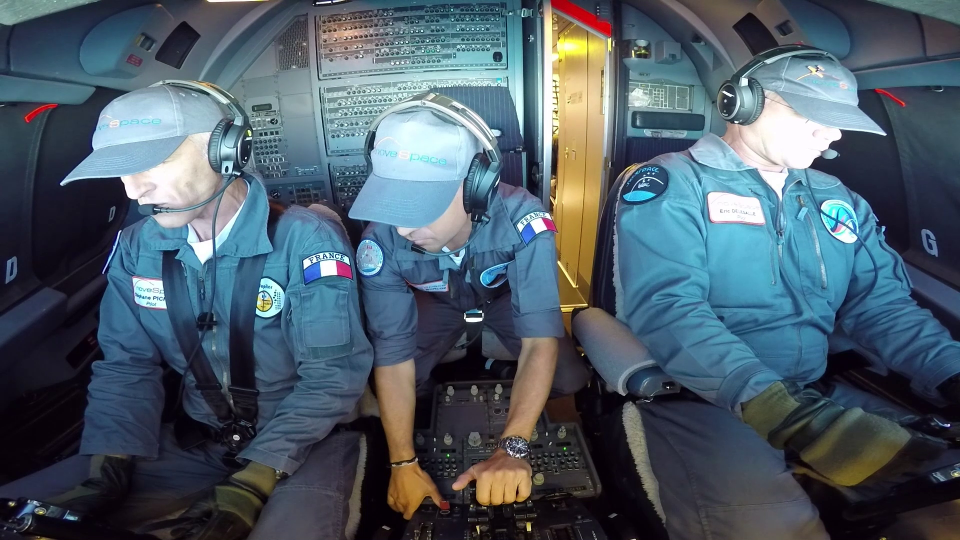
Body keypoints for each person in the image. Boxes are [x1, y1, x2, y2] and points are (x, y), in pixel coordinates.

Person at [613, 45, 960, 539]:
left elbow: (880, 306)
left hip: (813, 393)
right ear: (742, 103)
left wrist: (950, 374)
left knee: (937, 504)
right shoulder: (673, 184)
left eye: (840, 119)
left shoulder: (837, 198)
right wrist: (782, 412)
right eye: (810, 114)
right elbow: (670, 311)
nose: (833, 133)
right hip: (708, 400)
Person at [0, 81, 374, 540]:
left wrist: (256, 480)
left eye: (154, 163)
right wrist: (110, 461)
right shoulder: (138, 247)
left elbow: (332, 375)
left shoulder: (306, 240)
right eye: (122, 171)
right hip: (196, 442)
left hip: (306, 441)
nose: (134, 190)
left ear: (226, 150)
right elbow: (126, 364)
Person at [347, 93, 590, 518]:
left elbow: (539, 342)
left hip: (503, 301)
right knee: (399, 388)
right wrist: (402, 462)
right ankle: (491, 371)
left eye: (421, 206)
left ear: (478, 186)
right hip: (437, 303)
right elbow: (393, 354)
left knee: (568, 377)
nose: (404, 227)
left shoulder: (525, 221)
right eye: (394, 203)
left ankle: (497, 369)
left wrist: (512, 447)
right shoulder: (379, 242)